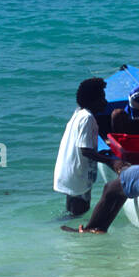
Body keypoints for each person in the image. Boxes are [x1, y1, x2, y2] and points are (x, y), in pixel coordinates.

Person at [66, 87, 139, 234]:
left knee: (110, 188)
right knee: (122, 185)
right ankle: (100, 228)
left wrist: (114, 162)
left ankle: (91, 229)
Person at [53, 77, 109, 216]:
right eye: (102, 98)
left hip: (71, 173)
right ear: (92, 101)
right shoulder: (87, 118)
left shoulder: (79, 112)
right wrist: (112, 161)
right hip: (78, 175)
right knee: (79, 212)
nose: (106, 101)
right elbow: (86, 150)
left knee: (71, 213)